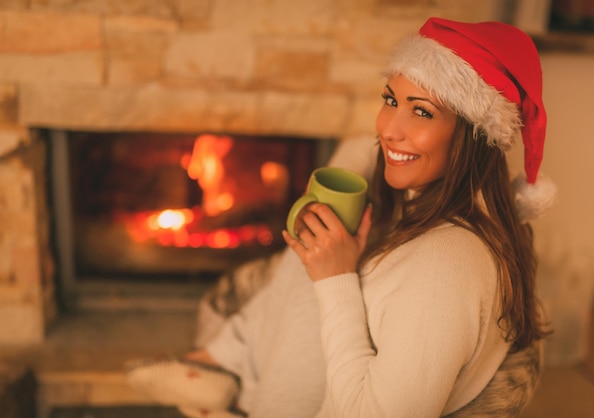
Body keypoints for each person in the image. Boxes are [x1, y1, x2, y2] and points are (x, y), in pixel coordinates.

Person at [127, 17, 556, 417]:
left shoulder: (445, 268)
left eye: (421, 111)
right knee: (333, 211)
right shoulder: (442, 214)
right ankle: (222, 362)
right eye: (391, 100)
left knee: (335, 211)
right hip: (328, 365)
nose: (390, 127)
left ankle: (227, 367)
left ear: (474, 135)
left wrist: (335, 280)